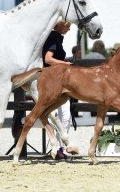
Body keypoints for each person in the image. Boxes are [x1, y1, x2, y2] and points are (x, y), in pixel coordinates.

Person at [42, 20, 78, 159]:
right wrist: (65, 64)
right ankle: (57, 148)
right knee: (60, 116)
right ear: (59, 25)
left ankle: (60, 148)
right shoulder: (53, 37)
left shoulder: (57, 38)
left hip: (59, 82)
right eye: (68, 26)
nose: (69, 29)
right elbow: (48, 59)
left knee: (65, 117)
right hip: (52, 82)